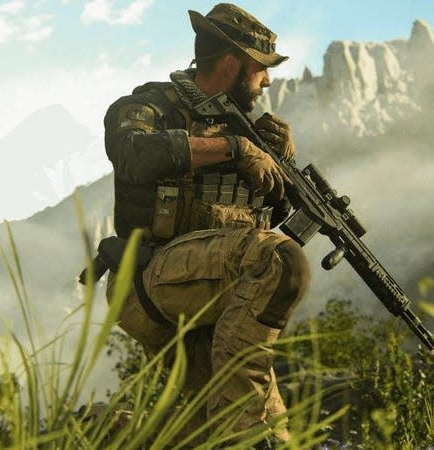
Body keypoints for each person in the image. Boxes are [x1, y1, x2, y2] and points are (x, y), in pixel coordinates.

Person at [101, 3, 310, 445]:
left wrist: (282, 164)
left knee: (256, 433)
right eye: (260, 69)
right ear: (232, 63)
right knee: (280, 260)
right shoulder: (149, 105)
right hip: (146, 280)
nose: (267, 80)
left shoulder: (248, 131)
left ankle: (109, 432)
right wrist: (233, 149)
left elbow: (274, 217)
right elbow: (133, 155)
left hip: (213, 295)